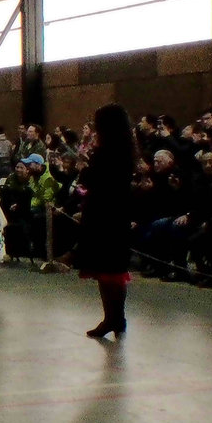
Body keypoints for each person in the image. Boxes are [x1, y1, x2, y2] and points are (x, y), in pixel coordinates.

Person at [78, 104, 139, 339]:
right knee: (114, 271)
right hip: (117, 214)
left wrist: (84, 167)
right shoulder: (126, 150)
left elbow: (92, 180)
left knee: (106, 271)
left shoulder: (107, 153)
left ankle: (111, 318)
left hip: (103, 215)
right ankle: (117, 318)